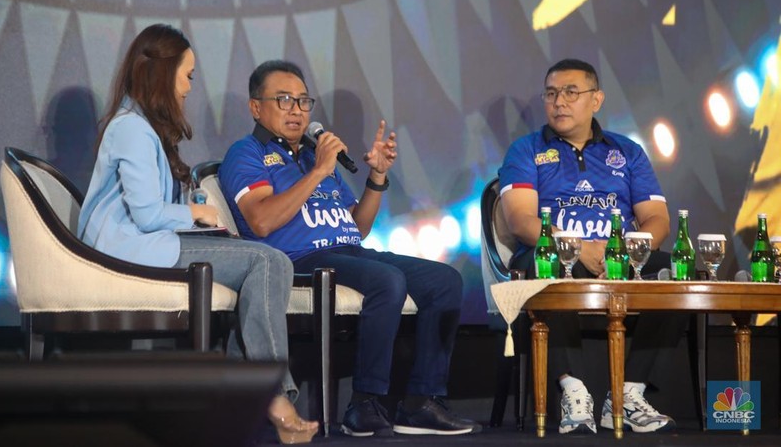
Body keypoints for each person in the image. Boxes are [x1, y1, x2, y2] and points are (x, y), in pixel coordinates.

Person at [76, 25, 318, 444]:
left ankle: (244, 396)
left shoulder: (140, 125)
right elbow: (149, 216)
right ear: (163, 73)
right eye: (187, 75)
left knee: (260, 263)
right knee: (266, 258)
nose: (190, 87)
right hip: (128, 250)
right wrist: (195, 211)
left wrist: (192, 203)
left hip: (146, 243)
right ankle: (271, 395)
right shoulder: (132, 128)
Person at [219, 59, 482, 438]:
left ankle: (422, 401)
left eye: (303, 101)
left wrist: (376, 177)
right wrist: (317, 173)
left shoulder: (314, 155)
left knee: (445, 281)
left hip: (347, 252)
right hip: (297, 260)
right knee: (387, 281)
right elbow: (261, 221)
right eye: (284, 100)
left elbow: (355, 226)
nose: (296, 110)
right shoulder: (247, 154)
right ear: (255, 107)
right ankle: (364, 403)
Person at [498, 58, 688, 434]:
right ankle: (575, 391)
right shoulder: (526, 150)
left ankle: (629, 395)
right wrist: (578, 248)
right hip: (552, 252)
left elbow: (657, 220)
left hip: (618, 256)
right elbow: (520, 222)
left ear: (596, 99)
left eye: (571, 92)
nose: (560, 102)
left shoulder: (627, 152)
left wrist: (625, 251)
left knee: (675, 275)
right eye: (551, 94)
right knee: (544, 264)